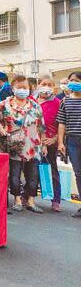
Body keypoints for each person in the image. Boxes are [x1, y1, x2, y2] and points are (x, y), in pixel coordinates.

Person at [0, 75, 44, 214]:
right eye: (19, 87)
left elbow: (41, 126)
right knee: (14, 174)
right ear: (13, 88)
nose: (22, 90)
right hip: (13, 145)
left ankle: (30, 201)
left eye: (25, 87)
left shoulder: (35, 105)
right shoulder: (4, 104)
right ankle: (17, 199)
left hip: (32, 145)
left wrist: (44, 145)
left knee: (33, 175)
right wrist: (2, 128)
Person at [57, 71, 81, 218]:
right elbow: (62, 122)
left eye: (77, 80)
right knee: (78, 173)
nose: (73, 83)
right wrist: (60, 141)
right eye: (71, 80)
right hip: (72, 141)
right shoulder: (65, 100)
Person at [37, 77, 62, 212]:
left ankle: (56, 200)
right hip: (33, 142)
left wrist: (54, 139)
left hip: (50, 142)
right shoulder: (31, 101)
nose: (46, 87)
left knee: (52, 171)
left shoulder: (58, 103)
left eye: (49, 85)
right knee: (30, 171)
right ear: (37, 85)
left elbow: (63, 124)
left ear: (54, 88)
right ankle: (27, 197)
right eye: (43, 84)